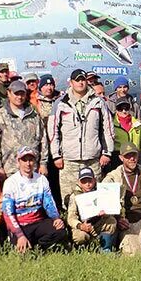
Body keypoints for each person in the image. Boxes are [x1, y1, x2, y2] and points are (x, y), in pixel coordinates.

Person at [49, 69, 114, 208]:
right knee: (69, 200)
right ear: (71, 82)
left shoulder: (98, 102)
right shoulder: (60, 103)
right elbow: (53, 132)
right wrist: (56, 155)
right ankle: (70, 227)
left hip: (93, 160)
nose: (80, 82)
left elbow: (107, 129)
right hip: (68, 161)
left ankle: (94, 227)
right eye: (77, 80)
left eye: (82, 79)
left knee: (95, 200)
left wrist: (107, 152)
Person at [1, 147, 67, 253]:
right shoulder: (10, 182)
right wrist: (19, 235)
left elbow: (49, 203)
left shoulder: (41, 179)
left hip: (37, 222)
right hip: (20, 225)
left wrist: (56, 218)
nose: (28, 163)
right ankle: (24, 244)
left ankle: (39, 248)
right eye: (24, 160)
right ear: (18, 162)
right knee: (22, 253)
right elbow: (7, 213)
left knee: (61, 231)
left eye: (31, 160)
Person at [0, 80, 49, 182]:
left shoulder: (34, 115)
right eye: (16, 94)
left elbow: (43, 140)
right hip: (10, 170)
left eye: (22, 94)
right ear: (8, 93)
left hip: (33, 170)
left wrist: (43, 164)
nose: (19, 97)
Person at [67, 167, 117, 252]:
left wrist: (105, 213)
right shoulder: (74, 196)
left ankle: (105, 248)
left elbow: (111, 209)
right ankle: (83, 250)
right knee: (80, 236)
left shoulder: (102, 191)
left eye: (90, 181)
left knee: (111, 221)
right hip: (82, 225)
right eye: (84, 181)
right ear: (79, 182)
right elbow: (71, 217)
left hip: (98, 223)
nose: (87, 184)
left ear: (94, 180)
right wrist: (80, 226)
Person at [109, 96, 141, 173]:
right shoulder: (111, 124)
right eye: (120, 108)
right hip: (117, 156)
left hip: (134, 156)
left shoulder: (137, 124)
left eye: (126, 108)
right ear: (116, 110)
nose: (124, 111)